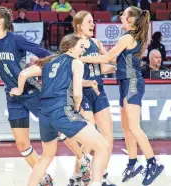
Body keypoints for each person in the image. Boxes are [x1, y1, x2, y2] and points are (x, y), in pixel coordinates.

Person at [80, 6, 165, 186]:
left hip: (132, 82)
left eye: (124, 15)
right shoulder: (130, 38)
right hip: (125, 83)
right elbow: (112, 59)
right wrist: (102, 52)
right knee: (127, 128)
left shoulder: (127, 37)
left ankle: (153, 162)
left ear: (132, 20)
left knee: (134, 127)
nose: (120, 17)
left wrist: (81, 58)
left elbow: (107, 58)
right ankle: (133, 163)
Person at [10, 34, 110, 186]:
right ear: (71, 47)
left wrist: (18, 89)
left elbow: (24, 73)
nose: (83, 50)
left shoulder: (49, 61)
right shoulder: (76, 62)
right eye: (81, 47)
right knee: (102, 147)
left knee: (46, 157)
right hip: (62, 110)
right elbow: (77, 93)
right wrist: (77, 105)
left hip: (44, 114)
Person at [0, 7, 54, 185]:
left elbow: (46, 54)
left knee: (58, 128)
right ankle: (44, 179)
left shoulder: (16, 39)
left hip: (31, 91)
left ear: (1, 21)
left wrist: (38, 65)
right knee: (22, 144)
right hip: (13, 96)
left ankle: (82, 160)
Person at [70, 10, 117, 186]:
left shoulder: (96, 42)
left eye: (93, 21)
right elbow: (71, 71)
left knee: (108, 137)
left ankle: (102, 175)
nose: (93, 24)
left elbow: (103, 68)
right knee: (88, 140)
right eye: (89, 22)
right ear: (79, 24)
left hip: (99, 91)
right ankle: (77, 175)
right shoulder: (73, 44)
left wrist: (119, 67)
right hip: (82, 92)